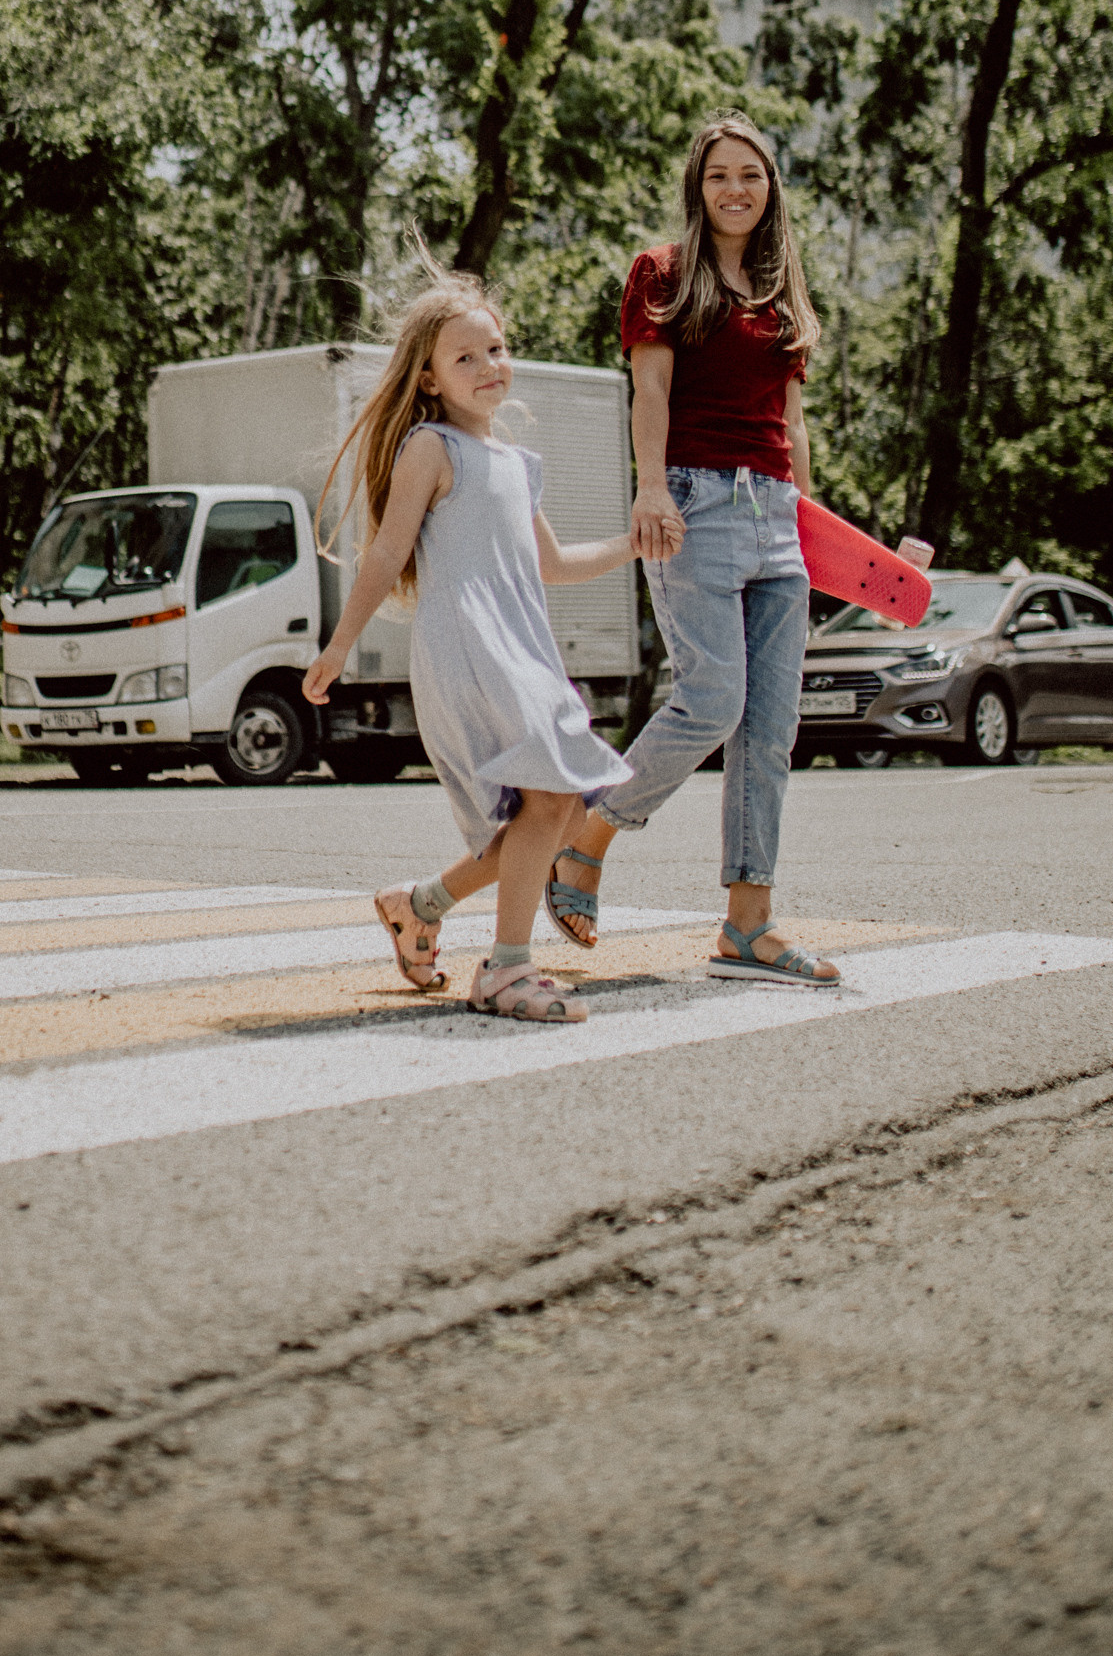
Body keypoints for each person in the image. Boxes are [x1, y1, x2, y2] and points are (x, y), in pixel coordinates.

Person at [542, 113, 838, 991]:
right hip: (696, 508)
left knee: (769, 729)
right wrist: (651, 487)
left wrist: (811, 527)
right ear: (697, 187)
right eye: (719, 177)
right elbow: (651, 390)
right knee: (711, 700)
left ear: (770, 186)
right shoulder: (662, 273)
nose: (735, 190)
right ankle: (589, 836)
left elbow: (790, 423)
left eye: (750, 175)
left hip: (777, 517)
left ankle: (750, 923)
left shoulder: (784, 287)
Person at [304, 265, 637, 1023]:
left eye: (496, 350)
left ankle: (417, 905)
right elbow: (387, 554)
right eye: (466, 358)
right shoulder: (431, 447)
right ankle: (508, 971)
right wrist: (340, 645)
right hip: (468, 645)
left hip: (522, 646)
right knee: (549, 799)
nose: (490, 367)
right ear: (427, 379)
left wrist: (636, 546)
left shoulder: (517, 465)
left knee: (547, 816)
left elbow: (553, 565)